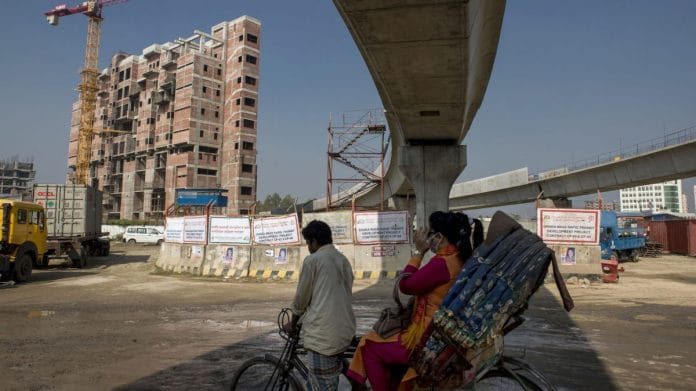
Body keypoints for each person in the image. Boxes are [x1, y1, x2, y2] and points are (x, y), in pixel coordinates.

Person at [347, 211, 484, 390]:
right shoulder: (458, 258)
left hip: (425, 339)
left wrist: (418, 252)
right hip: (437, 333)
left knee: (368, 345)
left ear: (439, 237)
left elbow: (406, 285)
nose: (428, 238)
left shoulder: (442, 263)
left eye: (430, 234)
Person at [283, 220, 356, 390]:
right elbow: (331, 298)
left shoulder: (313, 260)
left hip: (323, 337)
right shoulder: (343, 259)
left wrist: (293, 323)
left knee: (321, 386)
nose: (308, 247)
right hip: (345, 331)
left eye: (308, 243)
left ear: (314, 241)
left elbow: (301, 299)